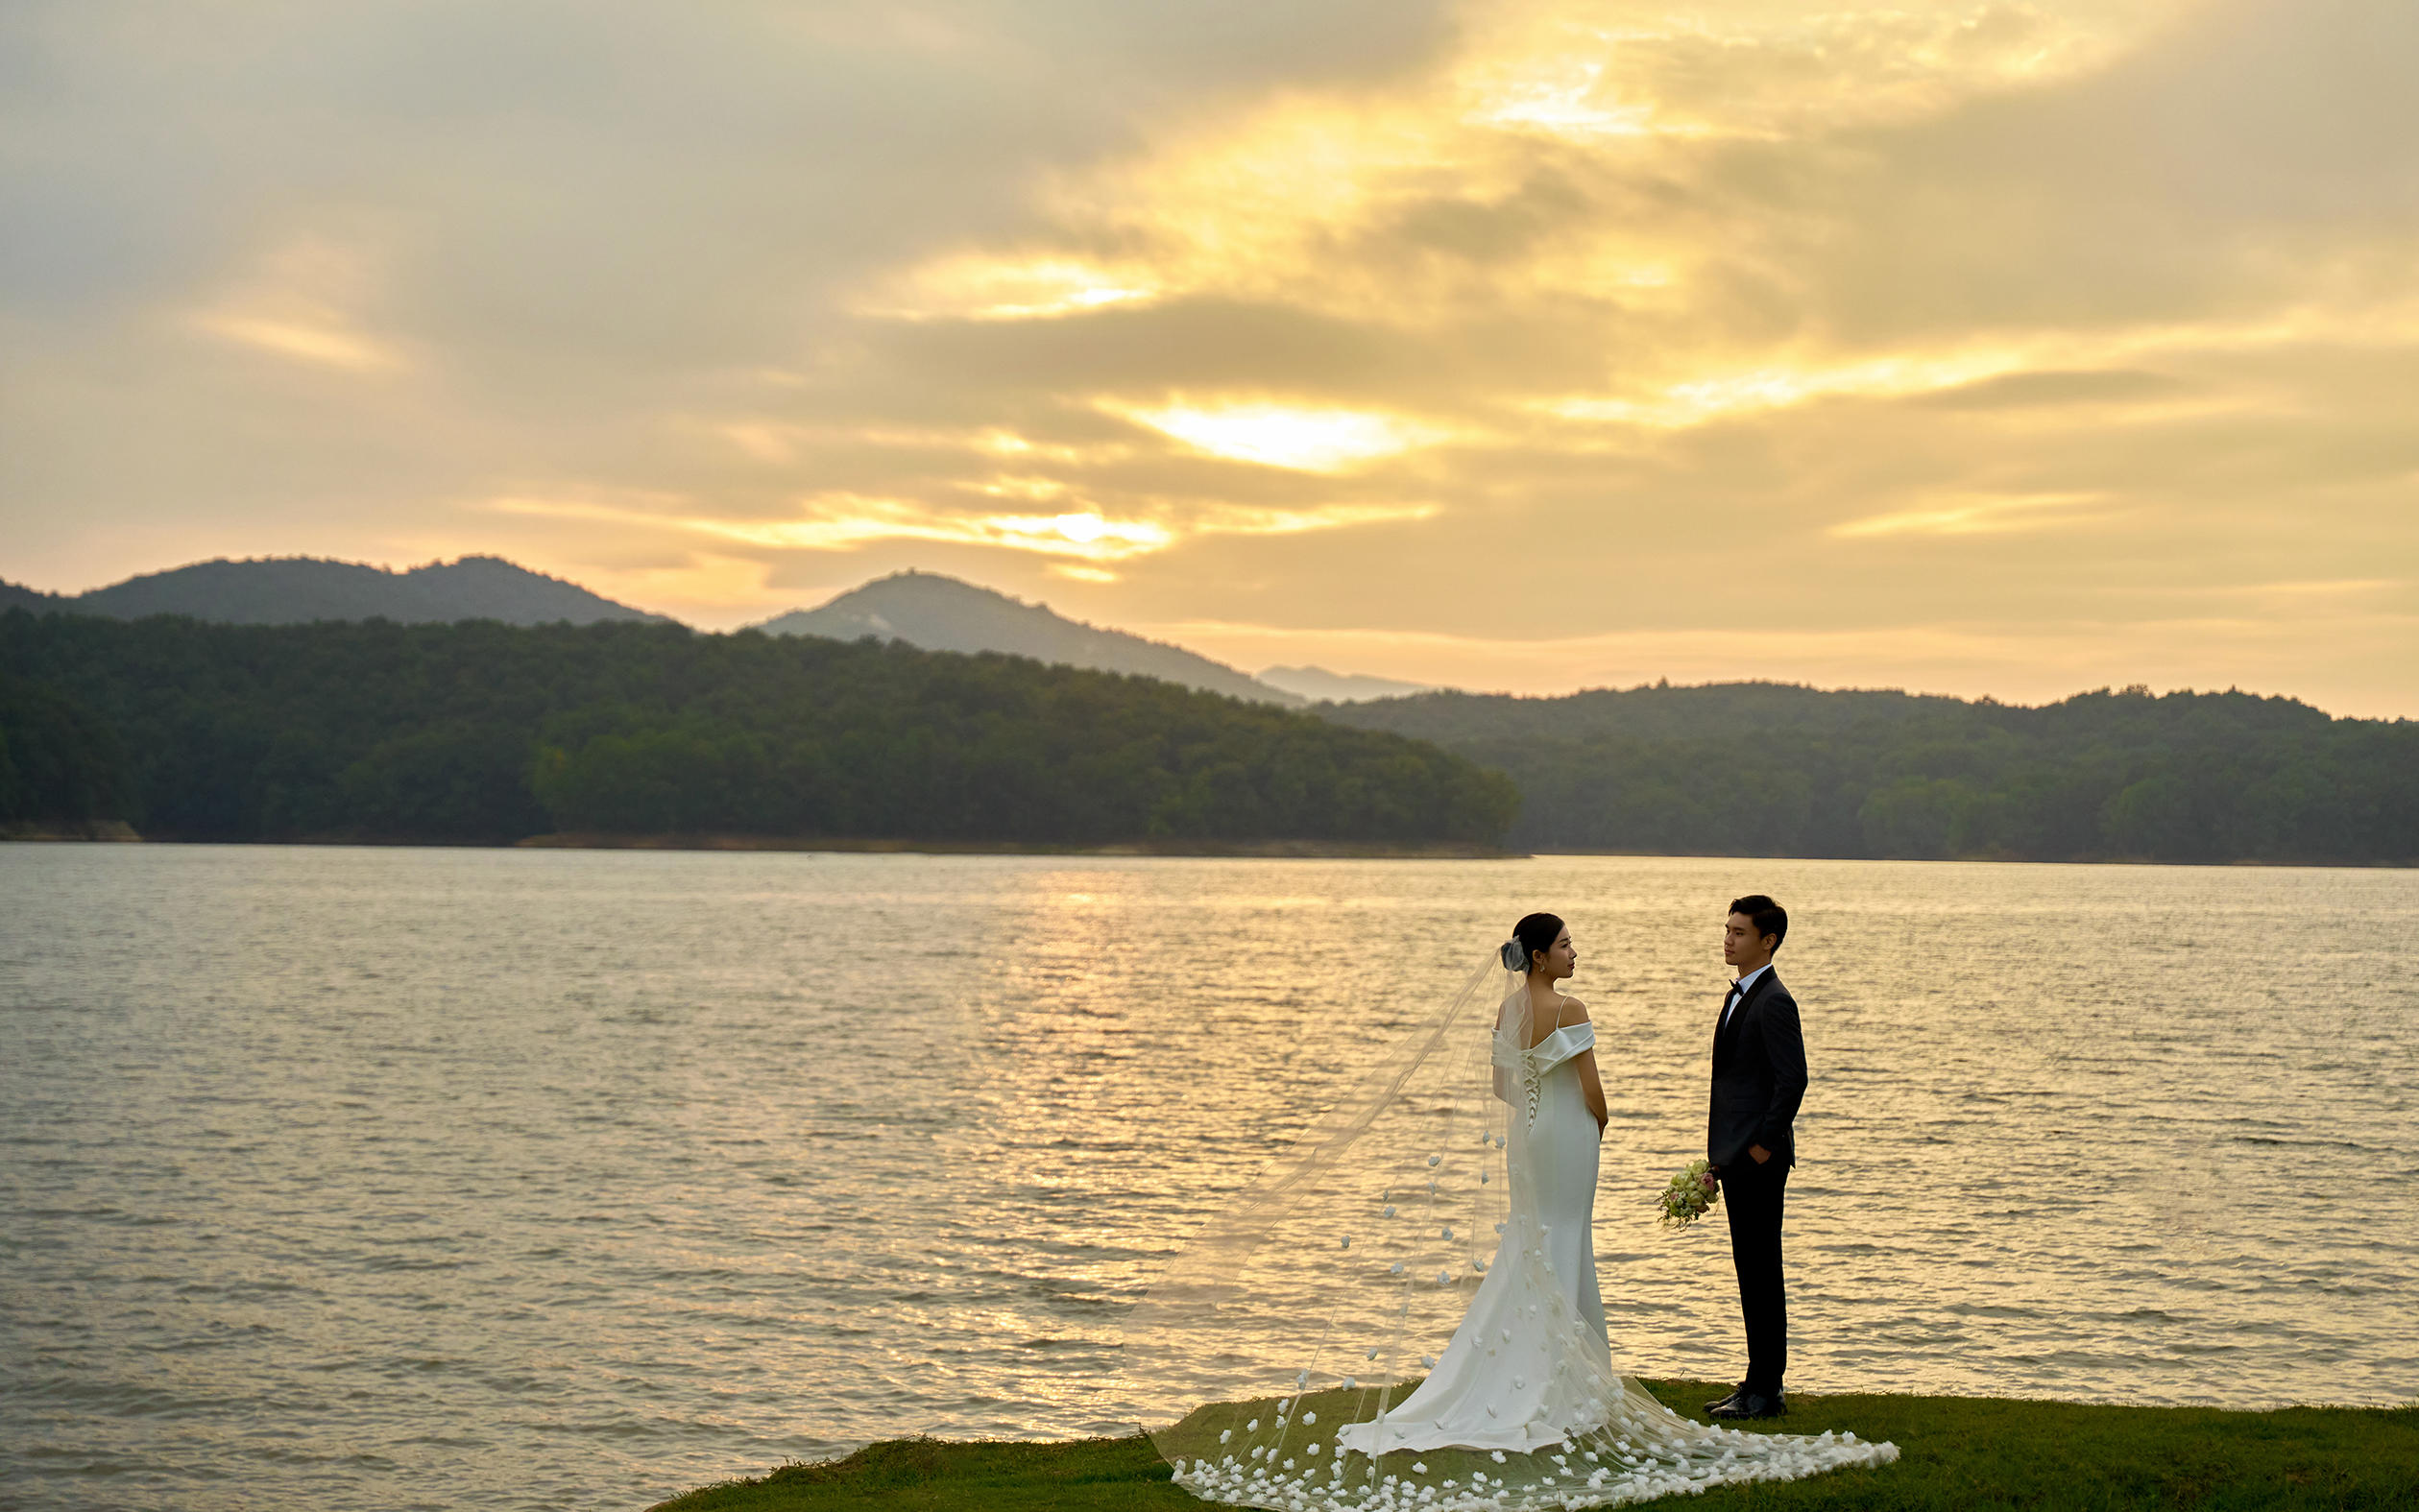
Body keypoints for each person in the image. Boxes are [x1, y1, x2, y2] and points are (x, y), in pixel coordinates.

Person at [1704, 894, 1807, 1422]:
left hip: (1760, 1161)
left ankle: (1766, 1390)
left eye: (1739, 932)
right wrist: (1718, 1159)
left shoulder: (1774, 1000)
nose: (1728, 938)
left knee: (1763, 1273)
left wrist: (1764, 1145)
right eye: (1727, 930)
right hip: (1737, 1157)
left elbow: (1793, 1080)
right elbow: (1734, 1086)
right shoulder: (1739, 995)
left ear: (1767, 941)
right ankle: (1755, 1383)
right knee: (1751, 1272)